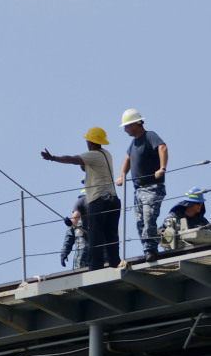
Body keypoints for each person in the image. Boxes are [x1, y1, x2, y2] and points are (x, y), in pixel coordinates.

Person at [41, 129, 120, 269]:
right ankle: (115, 263)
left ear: (90, 142)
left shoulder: (93, 155)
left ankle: (95, 268)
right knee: (111, 235)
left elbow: (72, 159)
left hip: (98, 200)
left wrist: (53, 157)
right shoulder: (107, 154)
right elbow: (91, 168)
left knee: (95, 236)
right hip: (113, 200)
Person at [114, 109, 168, 264]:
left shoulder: (150, 136)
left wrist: (162, 168)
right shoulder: (134, 142)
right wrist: (121, 177)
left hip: (152, 187)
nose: (125, 130)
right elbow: (128, 158)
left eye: (126, 126)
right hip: (138, 189)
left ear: (134, 124)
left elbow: (162, 148)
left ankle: (151, 249)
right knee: (140, 222)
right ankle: (147, 248)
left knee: (148, 218)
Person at [60, 189, 88, 270]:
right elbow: (69, 237)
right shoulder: (75, 222)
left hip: (99, 256)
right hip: (81, 258)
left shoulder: (98, 217)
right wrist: (64, 253)